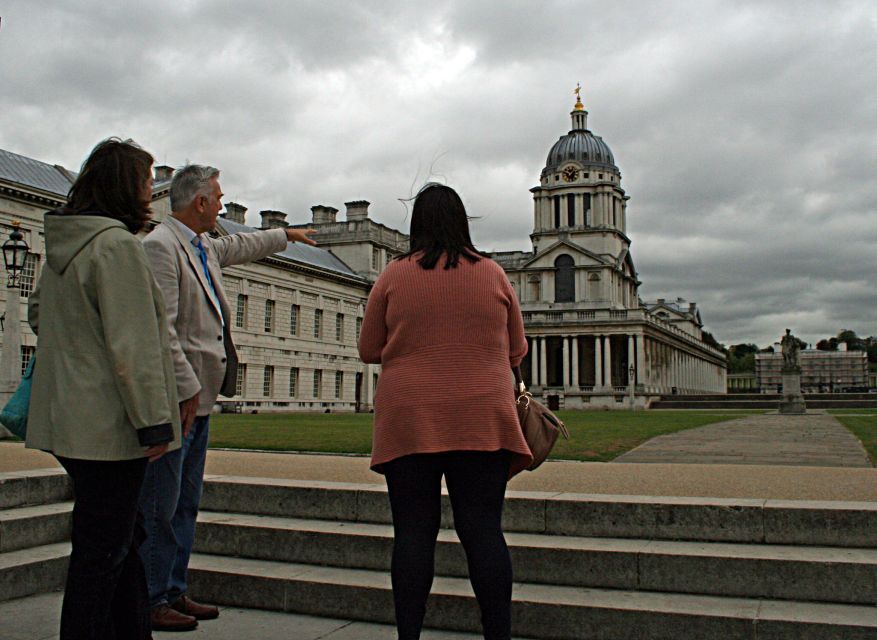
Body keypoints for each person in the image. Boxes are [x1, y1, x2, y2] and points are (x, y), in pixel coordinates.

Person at [138, 164, 316, 631]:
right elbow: (163, 332)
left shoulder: (200, 246)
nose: (222, 203)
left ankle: (174, 589)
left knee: (186, 502)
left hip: (199, 400)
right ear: (199, 202)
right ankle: (152, 597)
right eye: (218, 196)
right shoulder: (160, 248)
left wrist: (286, 235)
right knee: (162, 505)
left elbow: (240, 244)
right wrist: (186, 392)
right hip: (180, 400)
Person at [358, 183, 532, 640]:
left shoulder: (394, 275)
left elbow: (369, 348)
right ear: (462, 222)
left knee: (413, 535)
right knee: (484, 534)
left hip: (411, 416)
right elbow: (518, 349)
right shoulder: (494, 274)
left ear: (416, 224)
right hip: (482, 416)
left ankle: (409, 637)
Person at [26, 138, 180, 640]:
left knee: (121, 539)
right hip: (112, 429)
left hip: (70, 422)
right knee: (103, 553)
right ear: (122, 187)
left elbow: (37, 316)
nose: (148, 192)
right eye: (144, 181)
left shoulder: (64, 250)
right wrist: (154, 422)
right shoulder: (116, 247)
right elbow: (134, 347)